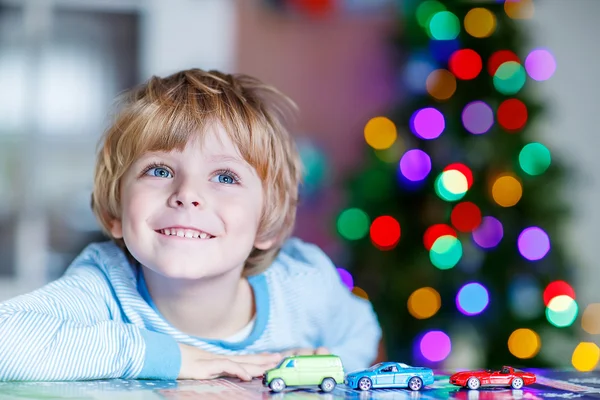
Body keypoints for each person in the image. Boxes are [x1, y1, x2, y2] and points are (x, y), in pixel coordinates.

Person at [0, 68, 381, 382]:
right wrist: (166, 356)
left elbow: (361, 331)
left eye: (226, 177)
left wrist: (330, 365)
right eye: (160, 170)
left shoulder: (302, 285)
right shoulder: (106, 288)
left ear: (267, 227)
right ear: (116, 212)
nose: (187, 194)